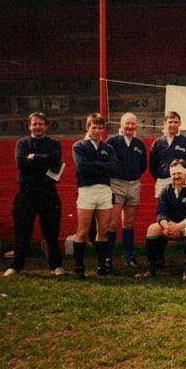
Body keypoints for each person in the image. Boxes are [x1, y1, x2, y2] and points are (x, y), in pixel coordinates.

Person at [4, 112, 65, 277]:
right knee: (22, 231)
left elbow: (55, 160)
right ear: (29, 126)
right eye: (34, 124)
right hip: (26, 192)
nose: (37, 127)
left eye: (40, 124)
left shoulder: (54, 143)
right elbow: (21, 163)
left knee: (51, 231)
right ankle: (16, 266)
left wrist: (33, 158)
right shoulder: (22, 143)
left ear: (46, 126)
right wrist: (41, 160)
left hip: (48, 192)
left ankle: (56, 266)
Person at [71, 113, 119, 279]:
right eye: (94, 127)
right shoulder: (79, 146)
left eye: (100, 127)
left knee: (103, 230)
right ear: (87, 128)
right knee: (83, 231)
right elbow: (82, 167)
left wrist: (96, 166)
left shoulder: (108, 148)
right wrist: (103, 167)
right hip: (87, 190)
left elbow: (114, 167)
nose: (97, 130)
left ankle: (101, 265)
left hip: (105, 190)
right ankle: (79, 266)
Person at [137, 159, 186, 280]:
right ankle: (150, 266)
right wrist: (166, 226)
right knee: (152, 229)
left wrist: (178, 226)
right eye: (173, 174)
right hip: (170, 226)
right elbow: (161, 212)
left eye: (179, 173)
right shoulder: (166, 190)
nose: (176, 176)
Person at [105, 112, 147, 270]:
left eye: (132, 123)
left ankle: (129, 257)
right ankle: (108, 257)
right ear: (120, 125)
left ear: (136, 125)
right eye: (127, 123)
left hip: (134, 184)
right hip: (116, 184)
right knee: (113, 223)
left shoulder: (139, 144)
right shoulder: (112, 141)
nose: (130, 126)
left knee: (129, 223)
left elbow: (143, 166)